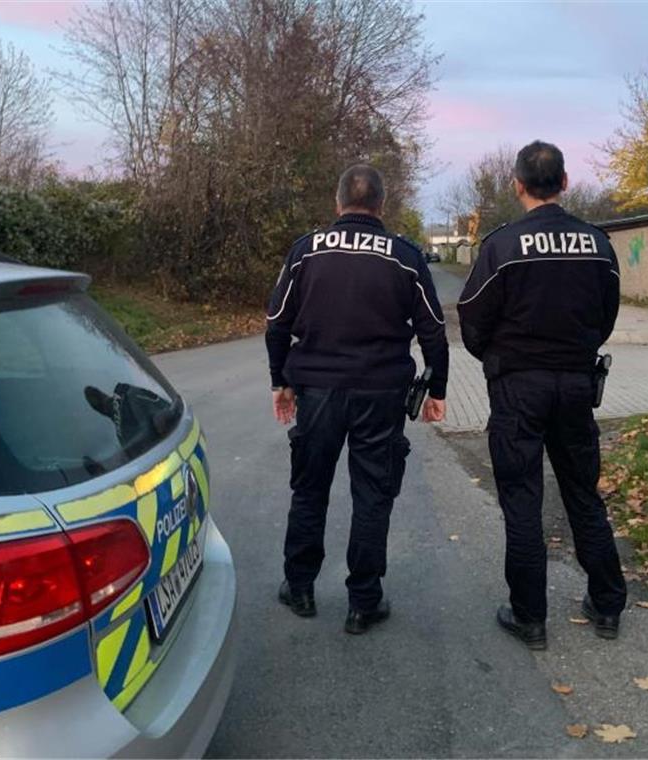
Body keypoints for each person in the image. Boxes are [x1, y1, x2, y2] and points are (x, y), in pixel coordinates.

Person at [456, 141, 627, 650]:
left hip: (519, 389)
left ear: (517, 185)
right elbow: (606, 316)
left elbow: (472, 319)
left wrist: (497, 358)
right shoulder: (597, 244)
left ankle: (530, 618)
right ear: (566, 182)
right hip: (576, 385)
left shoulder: (502, 246)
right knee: (582, 495)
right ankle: (608, 604)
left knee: (522, 501)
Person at [265, 164, 449, 634]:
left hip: (318, 390)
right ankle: (364, 601)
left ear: (337, 201)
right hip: (381, 392)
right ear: (381, 205)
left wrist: (279, 380)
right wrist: (438, 389)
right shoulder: (405, 256)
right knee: (373, 493)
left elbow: (278, 321)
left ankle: (300, 586)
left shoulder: (306, 251)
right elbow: (433, 328)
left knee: (310, 489)